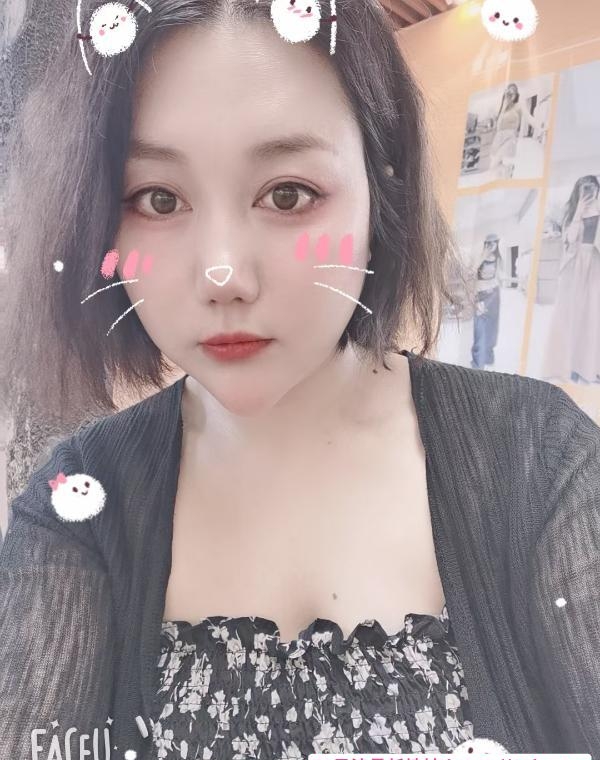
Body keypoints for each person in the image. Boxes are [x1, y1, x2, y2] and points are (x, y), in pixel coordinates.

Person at [1, 1, 600, 758]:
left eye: (287, 194)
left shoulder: (540, 460)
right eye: (158, 199)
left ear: (381, 193)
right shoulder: (79, 508)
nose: (224, 277)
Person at [540, 175, 600, 383]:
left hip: (594, 263)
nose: (589, 191)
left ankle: (589, 367)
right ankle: (568, 365)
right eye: (585, 188)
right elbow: (570, 239)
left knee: (592, 314)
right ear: (578, 190)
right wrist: (579, 211)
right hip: (574, 265)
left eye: (593, 187)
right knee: (570, 314)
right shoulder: (572, 212)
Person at [488, 82, 546, 180]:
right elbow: (498, 124)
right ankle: (507, 171)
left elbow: (529, 118)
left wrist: (540, 125)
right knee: (496, 167)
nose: (511, 94)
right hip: (498, 138)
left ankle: (507, 170)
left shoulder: (519, 106)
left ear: (516, 94)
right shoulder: (503, 106)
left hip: (510, 138)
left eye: (513, 92)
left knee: (493, 165)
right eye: (509, 92)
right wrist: (505, 102)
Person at [470, 233, 503, 369]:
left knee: (492, 329)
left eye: (494, 243)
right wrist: (483, 255)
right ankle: (478, 364)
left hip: (494, 294)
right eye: (489, 243)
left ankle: (489, 358)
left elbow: (499, 275)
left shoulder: (497, 258)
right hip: (481, 295)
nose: (492, 245)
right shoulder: (480, 256)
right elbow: (471, 272)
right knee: (480, 330)